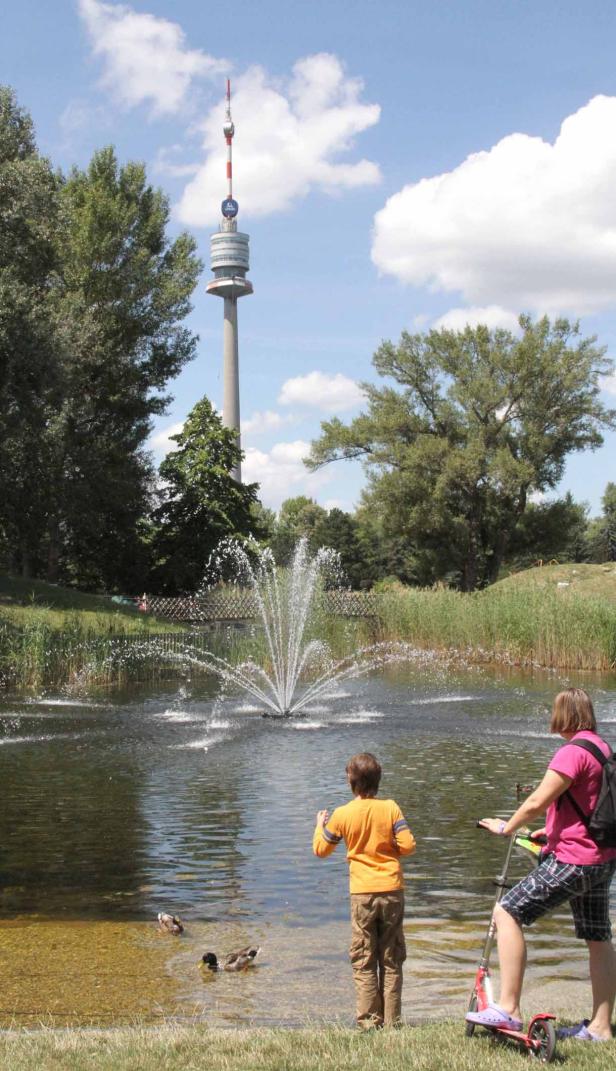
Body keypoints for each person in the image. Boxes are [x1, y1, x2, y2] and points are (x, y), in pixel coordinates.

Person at [466, 687, 616, 1042]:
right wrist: (547, 833)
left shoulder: (571, 752)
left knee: (507, 912)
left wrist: (509, 827)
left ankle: (508, 1009)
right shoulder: (601, 748)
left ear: (564, 715)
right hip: (602, 858)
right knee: (598, 937)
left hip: (574, 860)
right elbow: (587, 805)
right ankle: (600, 1027)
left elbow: (535, 800)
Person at [313, 752, 416, 1028]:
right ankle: (393, 1022)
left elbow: (320, 850)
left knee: (363, 956)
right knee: (391, 957)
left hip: (362, 894)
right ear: (378, 781)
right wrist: (386, 848)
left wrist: (319, 826)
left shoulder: (342, 814)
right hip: (392, 889)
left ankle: (370, 1022)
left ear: (351, 782)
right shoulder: (391, 808)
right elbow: (408, 846)